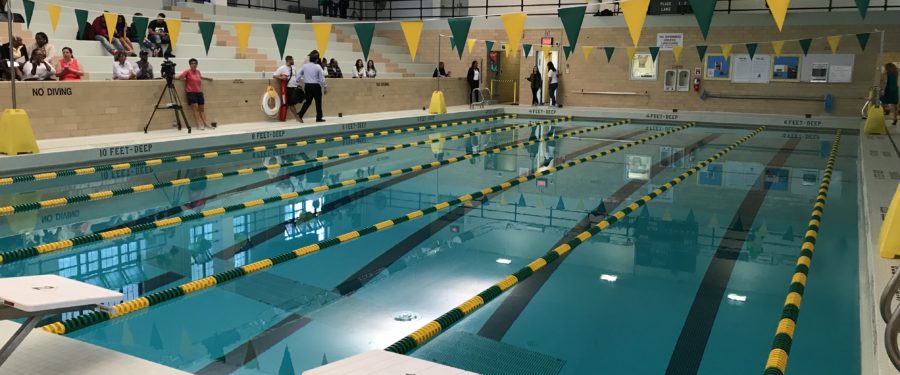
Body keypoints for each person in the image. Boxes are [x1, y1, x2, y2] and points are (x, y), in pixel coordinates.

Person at [177, 58, 214, 130]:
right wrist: (172, 78)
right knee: (196, 110)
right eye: (192, 63)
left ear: (197, 64)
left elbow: (200, 77)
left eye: (195, 63)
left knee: (202, 109)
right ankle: (199, 124)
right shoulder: (187, 72)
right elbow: (179, 77)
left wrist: (208, 78)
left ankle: (206, 123)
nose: (193, 65)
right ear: (190, 65)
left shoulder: (198, 72)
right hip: (191, 93)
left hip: (199, 93)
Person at [297, 50, 327, 123]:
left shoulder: (304, 66)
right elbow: (322, 79)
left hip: (307, 86)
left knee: (307, 102)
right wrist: (325, 87)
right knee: (318, 102)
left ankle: (300, 115)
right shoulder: (318, 67)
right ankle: (319, 118)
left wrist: (297, 82)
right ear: (316, 60)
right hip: (316, 86)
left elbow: (298, 74)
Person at [274, 55, 301, 121]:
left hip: (295, 87)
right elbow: (274, 75)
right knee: (291, 103)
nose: (293, 61)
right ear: (289, 60)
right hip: (289, 88)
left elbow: (296, 77)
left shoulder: (293, 68)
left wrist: (298, 84)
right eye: (292, 60)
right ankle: (296, 116)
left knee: (300, 99)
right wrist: (282, 77)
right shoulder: (282, 68)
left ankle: (296, 114)